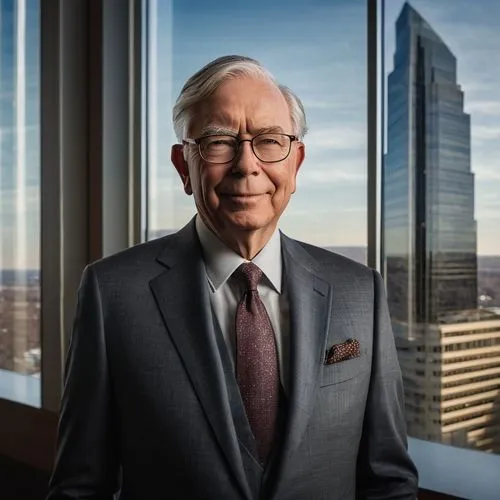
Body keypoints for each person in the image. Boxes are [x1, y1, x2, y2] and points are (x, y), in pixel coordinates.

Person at [47, 55, 418, 500]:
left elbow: (389, 483)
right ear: (184, 166)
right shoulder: (112, 293)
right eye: (219, 142)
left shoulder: (361, 291)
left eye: (269, 141)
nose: (247, 165)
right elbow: (80, 488)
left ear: (295, 163)